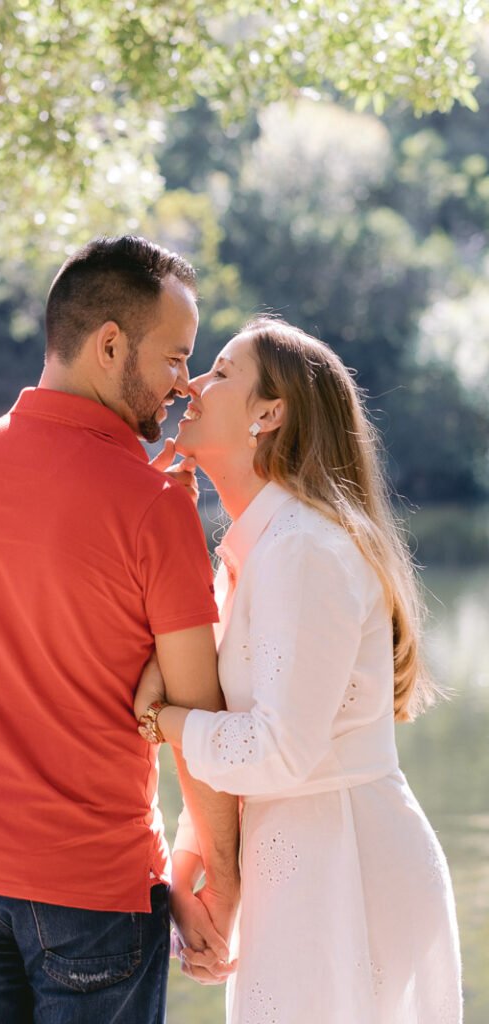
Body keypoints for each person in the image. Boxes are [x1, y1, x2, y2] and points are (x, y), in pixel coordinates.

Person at [0, 235, 239, 1024]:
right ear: (110, 344)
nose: (184, 384)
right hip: (92, 892)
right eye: (175, 358)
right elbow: (198, 716)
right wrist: (221, 879)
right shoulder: (154, 505)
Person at [134, 316, 463, 1023]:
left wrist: (163, 720)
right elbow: (241, 736)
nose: (192, 384)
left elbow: (277, 750)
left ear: (269, 414)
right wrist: (194, 869)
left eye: (222, 372)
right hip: (299, 864)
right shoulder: (257, 550)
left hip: (347, 870)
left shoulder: (303, 550)